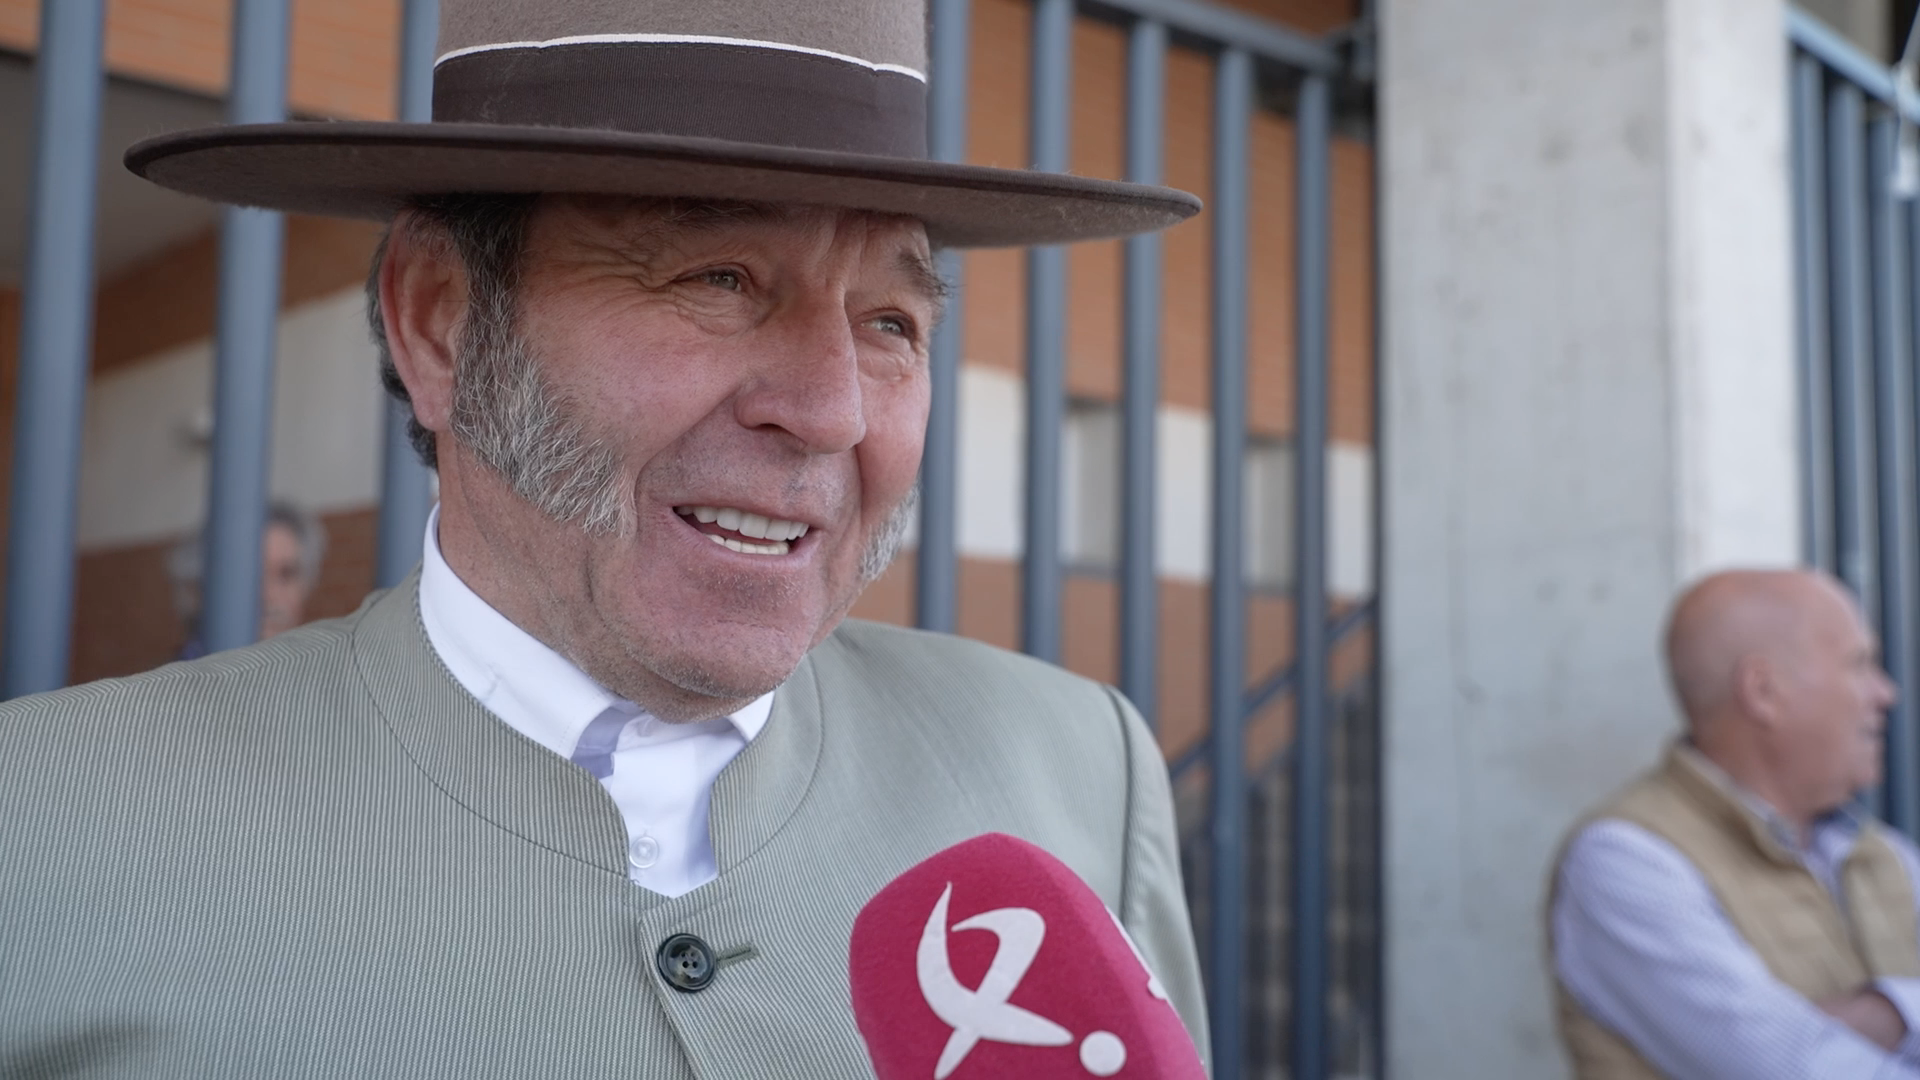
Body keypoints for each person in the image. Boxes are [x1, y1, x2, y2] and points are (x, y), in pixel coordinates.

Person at [0, 0, 1209, 1076]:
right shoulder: (42, 827)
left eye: (890, 319)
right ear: (440, 323)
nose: (833, 408)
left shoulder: (1073, 768)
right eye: (719, 277)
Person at [1549, 568, 1920, 1079]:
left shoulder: (1879, 855)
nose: (1885, 693)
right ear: (1763, 691)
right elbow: (1792, 1070)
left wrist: (1890, 1011)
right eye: (1859, 665)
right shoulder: (1626, 859)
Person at [168, 500, 329, 657]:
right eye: (249, 576)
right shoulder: (179, 681)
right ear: (200, 587)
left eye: (286, 574)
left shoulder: (315, 674)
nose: (269, 595)